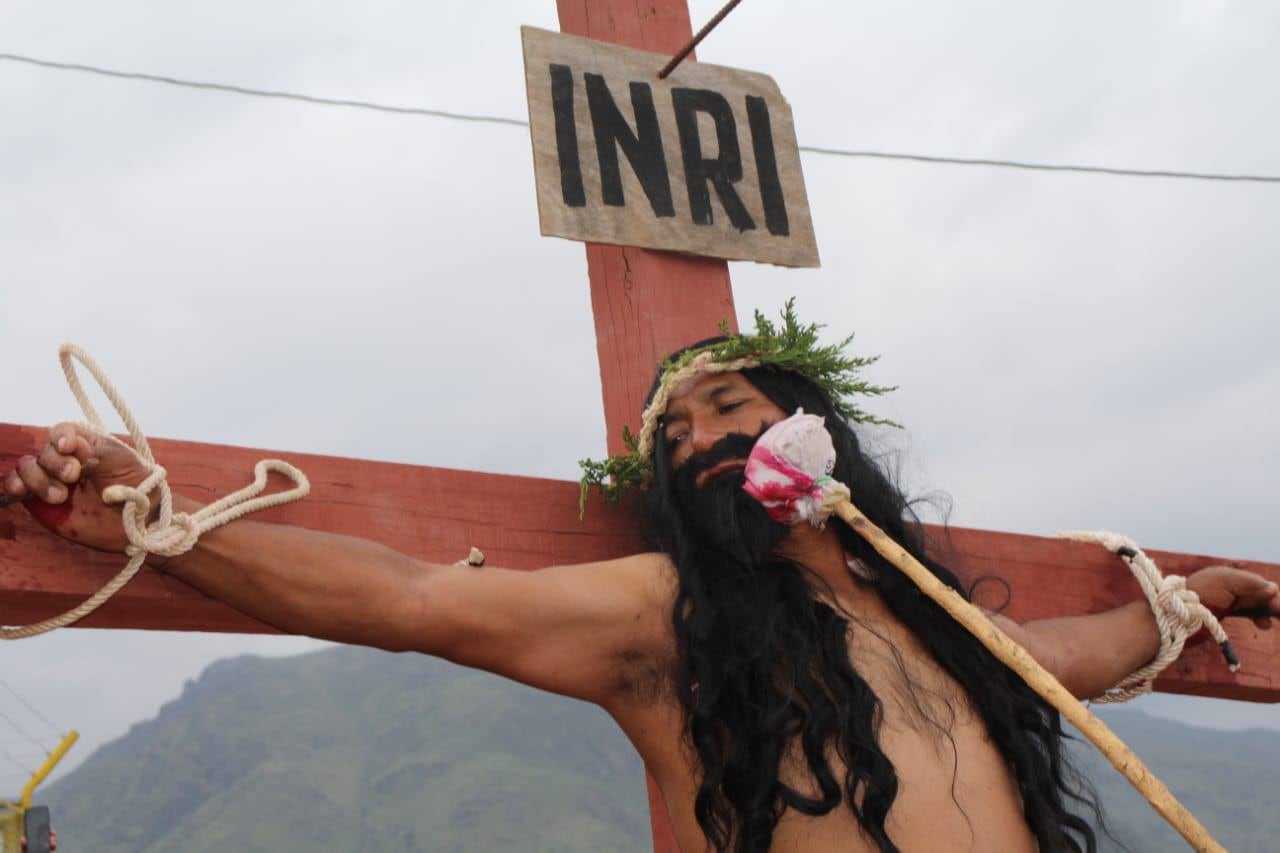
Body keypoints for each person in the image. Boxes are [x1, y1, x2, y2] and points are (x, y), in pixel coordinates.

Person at [5, 314, 1277, 853]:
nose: (700, 439)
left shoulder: (942, 622)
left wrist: (1183, 600)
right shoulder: (664, 618)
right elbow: (407, 597)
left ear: (815, 433)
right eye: (673, 441)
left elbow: (1074, 652)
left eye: (728, 406)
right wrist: (147, 510)